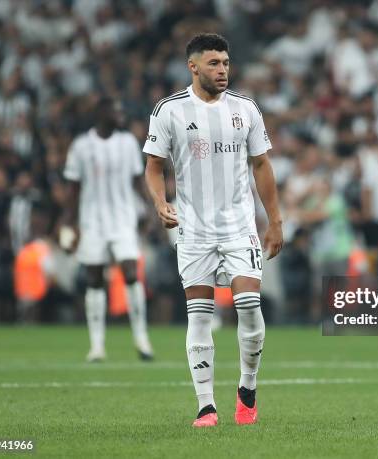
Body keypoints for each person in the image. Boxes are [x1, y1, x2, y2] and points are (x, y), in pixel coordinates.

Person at [143, 33, 283, 427]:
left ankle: (248, 388)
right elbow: (154, 165)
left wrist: (275, 219)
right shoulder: (169, 110)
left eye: (225, 63)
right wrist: (159, 202)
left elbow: (261, 165)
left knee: (249, 307)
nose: (222, 70)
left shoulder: (245, 108)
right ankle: (206, 406)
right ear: (193, 67)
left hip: (239, 228)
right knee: (199, 316)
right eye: (214, 64)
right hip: (194, 230)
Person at [62, 97, 154, 362]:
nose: (120, 114)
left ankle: (142, 338)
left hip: (123, 218)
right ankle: (97, 345)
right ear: (101, 113)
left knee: (129, 271)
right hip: (92, 220)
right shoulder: (81, 146)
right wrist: (69, 222)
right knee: (94, 279)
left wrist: (150, 208)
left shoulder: (127, 143)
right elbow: (73, 188)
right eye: (115, 110)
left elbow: (138, 180)